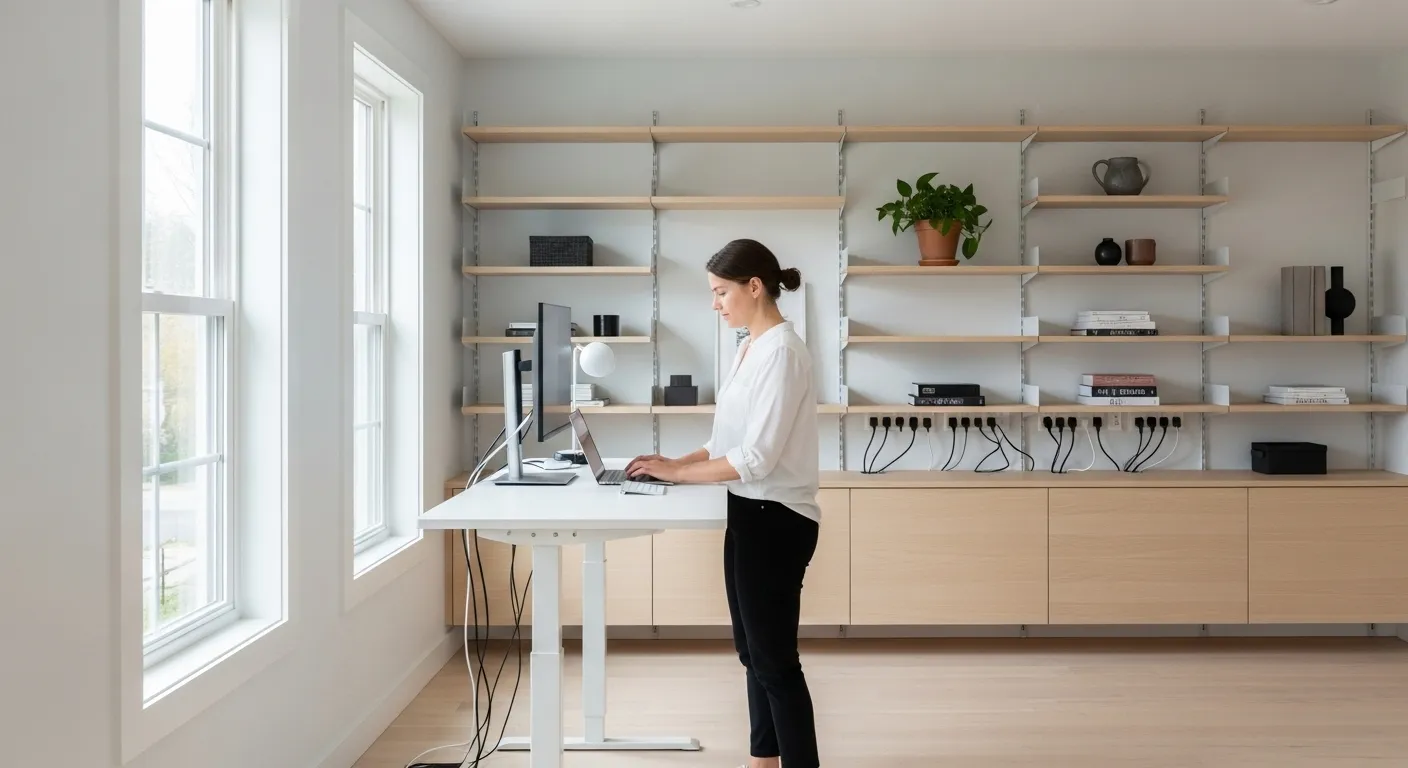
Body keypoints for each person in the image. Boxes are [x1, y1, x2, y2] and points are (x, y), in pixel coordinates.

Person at [627, 238, 821, 768]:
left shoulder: (782, 352)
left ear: (753, 287)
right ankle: (763, 760)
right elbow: (724, 443)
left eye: (720, 292)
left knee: (775, 662)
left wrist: (681, 474)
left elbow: (757, 457)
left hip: (777, 519)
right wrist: (671, 462)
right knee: (752, 654)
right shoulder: (749, 347)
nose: (715, 303)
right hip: (748, 513)